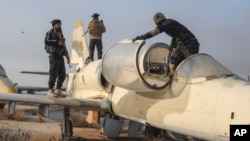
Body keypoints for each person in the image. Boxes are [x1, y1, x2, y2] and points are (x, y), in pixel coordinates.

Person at [132, 12, 199, 76]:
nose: (159, 26)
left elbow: (155, 32)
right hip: (181, 45)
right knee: (172, 65)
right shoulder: (169, 24)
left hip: (190, 44)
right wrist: (171, 47)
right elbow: (175, 36)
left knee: (191, 66)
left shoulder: (167, 23)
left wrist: (142, 37)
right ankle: (173, 78)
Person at [44, 19, 70, 97]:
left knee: (62, 74)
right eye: (57, 24)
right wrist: (56, 41)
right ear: (54, 25)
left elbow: (63, 46)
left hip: (60, 56)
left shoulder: (61, 35)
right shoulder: (50, 33)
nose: (59, 26)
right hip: (53, 55)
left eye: (60, 24)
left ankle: (58, 89)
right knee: (53, 73)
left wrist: (67, 56)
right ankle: (50, 89)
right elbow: (46, 41)